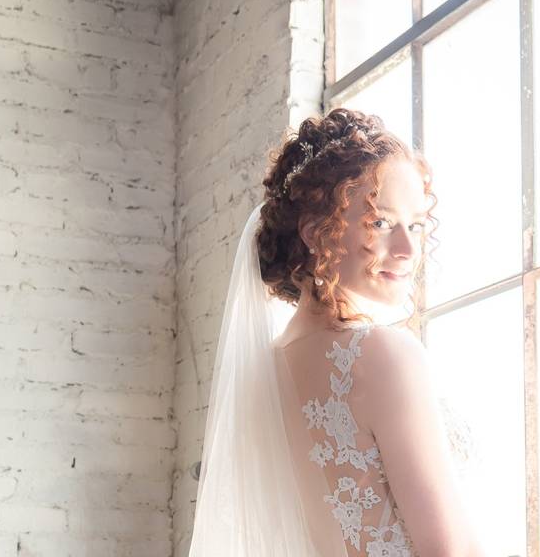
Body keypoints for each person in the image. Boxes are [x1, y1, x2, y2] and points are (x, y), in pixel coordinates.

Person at [188, 108, 486, 557]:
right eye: (380, 222)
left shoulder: (258, 372)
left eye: (417, 225)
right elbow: (450, 550)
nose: (407, 249)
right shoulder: (383, 355)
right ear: (314, 232)